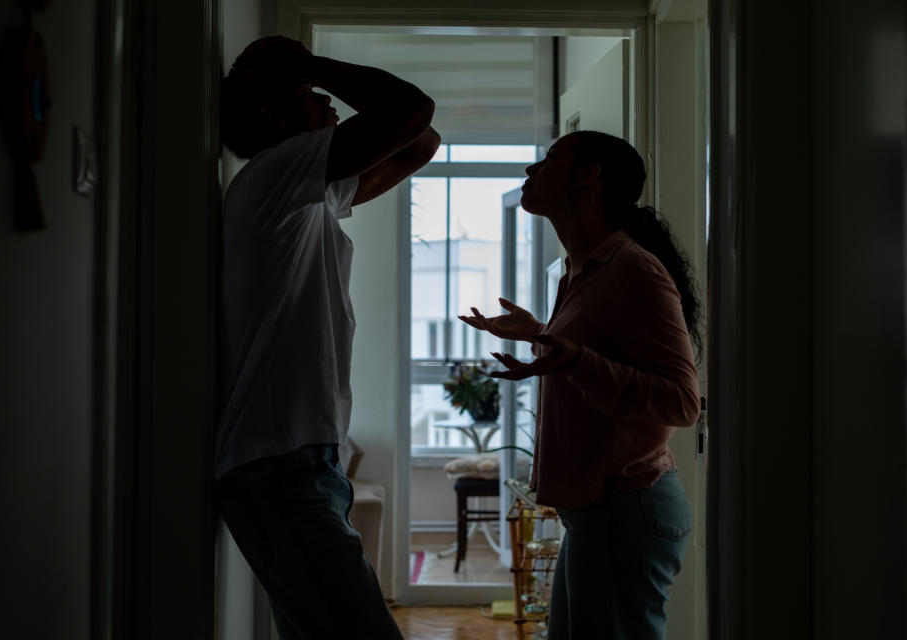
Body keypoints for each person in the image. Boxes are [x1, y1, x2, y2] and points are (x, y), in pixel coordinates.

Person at [216, 36, 440, 640]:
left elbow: (420, 142)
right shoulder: (273, 176)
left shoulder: (305, 195)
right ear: (273, 115)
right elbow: (412, 112)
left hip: (300, 465)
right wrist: (306, 66)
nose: (333, 108)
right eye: (316, 98)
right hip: (280, 469)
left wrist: (302, 76)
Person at [459, 130, 701, 639]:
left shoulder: (633, 270)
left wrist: (568, 355)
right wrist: (543, 336)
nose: (530, 171)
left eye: (549, 160)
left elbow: (681, 402)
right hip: (599, 512)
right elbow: (597, 358)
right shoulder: (583, 271)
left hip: (627, 507)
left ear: (587, 177)